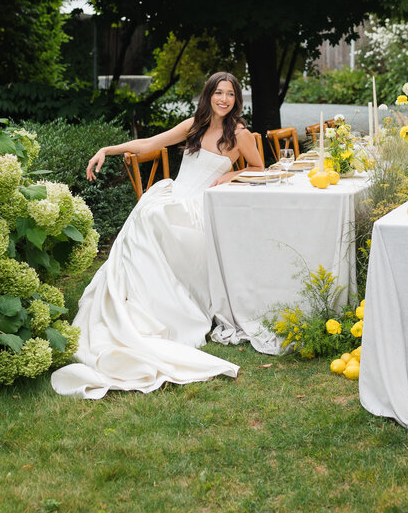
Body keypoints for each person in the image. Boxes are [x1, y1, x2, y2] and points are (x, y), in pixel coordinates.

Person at [51, 72, 265, 398]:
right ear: (208, 95)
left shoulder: (239, 134)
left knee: (155, 217)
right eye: (218, 93)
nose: (224, 99)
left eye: (231, 95)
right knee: (151, 212)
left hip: (199, 207)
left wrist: (231, 175)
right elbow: (150, 144)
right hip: (175, 194)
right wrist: (106, 149)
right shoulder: (194, 124)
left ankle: (161, 310)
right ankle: (134, 302)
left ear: (237, 100)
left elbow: (260, 168)